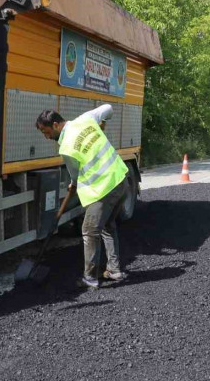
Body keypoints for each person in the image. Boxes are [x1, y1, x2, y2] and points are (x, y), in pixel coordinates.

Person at [35, 104, 129, 289]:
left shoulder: (66, 147)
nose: (47, 137)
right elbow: (109, 108)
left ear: (55, 125)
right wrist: (102, 121)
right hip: (121, 180)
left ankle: (90, 278)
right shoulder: (86, 119)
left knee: (89, 231)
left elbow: (75, 174)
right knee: (108, 226)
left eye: (46, 132)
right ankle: (114, 270)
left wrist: (73, 183)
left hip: (104, 189)